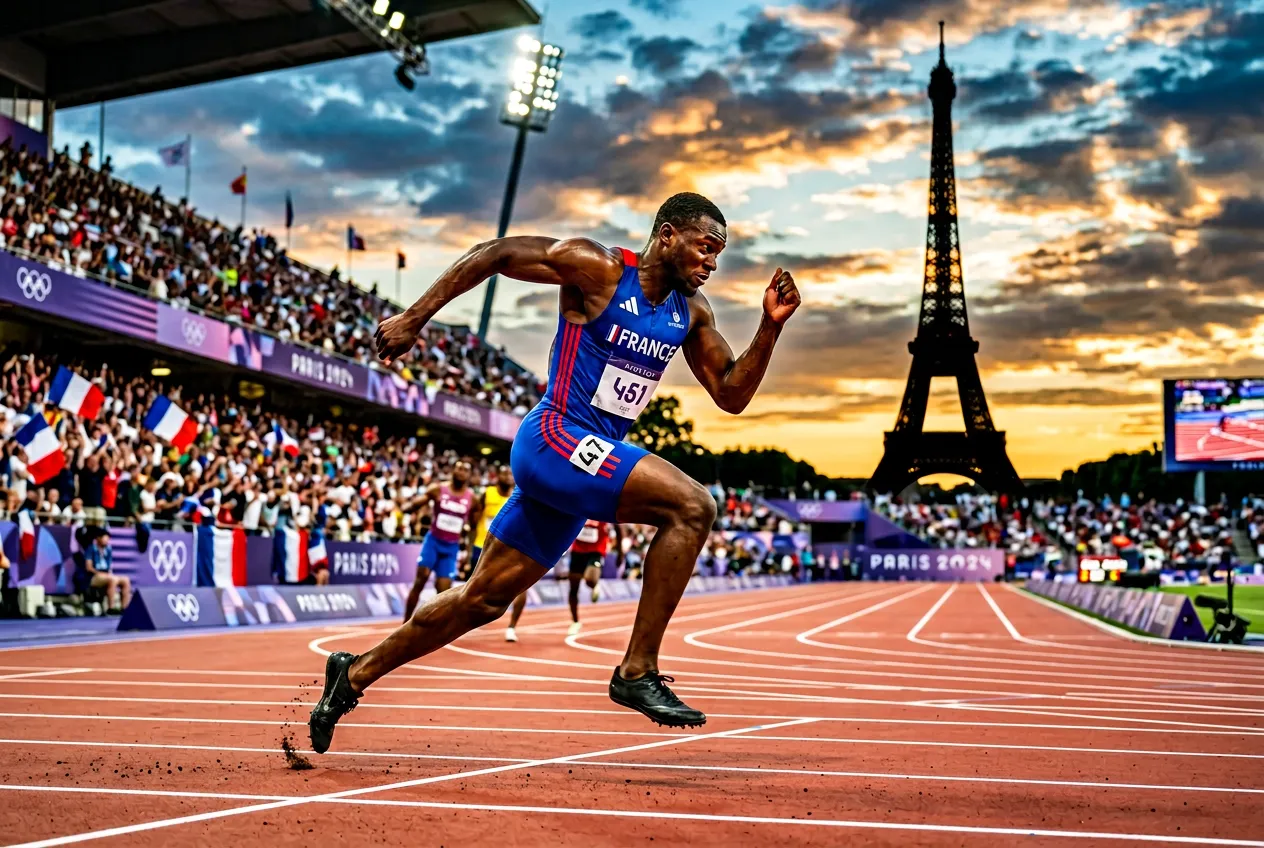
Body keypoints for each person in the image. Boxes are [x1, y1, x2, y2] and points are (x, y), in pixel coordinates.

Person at [310, 192, 798, 753]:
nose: (712, 263)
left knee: (481, 600)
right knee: (693, 506)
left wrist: (770, 326)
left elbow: (731, 394)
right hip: (555, 438)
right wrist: (414, 318)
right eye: (705, 247)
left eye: (719, 255)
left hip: (584, 464)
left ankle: (351, 676)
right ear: (667, 235)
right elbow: (495, 253)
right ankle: (637, 671)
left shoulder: (691, 314)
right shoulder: (599, 269)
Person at [503, 519, 623, 642]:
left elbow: (618, 527)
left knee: (590, 579)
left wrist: (620, 552)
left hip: (596, 550)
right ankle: (575, 622)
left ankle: (594, 584)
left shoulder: (603, 506)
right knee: (573, 588)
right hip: (578, 550)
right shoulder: (579, 506)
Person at [402, 459, 480, 620]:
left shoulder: (473, 499)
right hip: (433, 542)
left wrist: (468, 552)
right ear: (452, 471)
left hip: (451, 548)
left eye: (465, 470)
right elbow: (420, 501)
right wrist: (410, 506)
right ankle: (404, 622)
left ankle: (433, 631)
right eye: (458, 468)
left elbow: (473, 527)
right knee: (420, 579)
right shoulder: (438, 489)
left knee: (443, 592)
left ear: (469, 475)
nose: (461, 472)